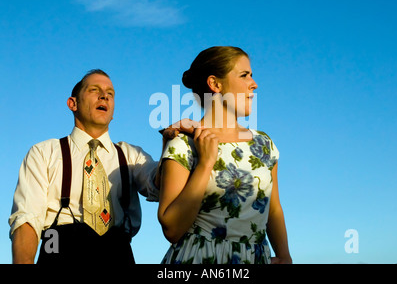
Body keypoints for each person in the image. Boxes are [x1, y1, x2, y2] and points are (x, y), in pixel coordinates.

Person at [10, 69, 161, 264]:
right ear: (73, 103)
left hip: (117, 252)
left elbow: (158, 184)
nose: (104, 96)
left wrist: (174, 146)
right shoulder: (44, 152)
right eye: (94, 90)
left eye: (110, 94)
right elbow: (26, 219)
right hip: (57, 247)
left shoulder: (131, 155)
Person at [158, 46, 292, 264]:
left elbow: (274, 208)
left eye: (252, 75)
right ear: (215, 84)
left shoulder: (264, 144)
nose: (254, 84)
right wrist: (205, 163)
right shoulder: (183, 143)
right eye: (244, 75)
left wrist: (285, 257)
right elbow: (171, 228)